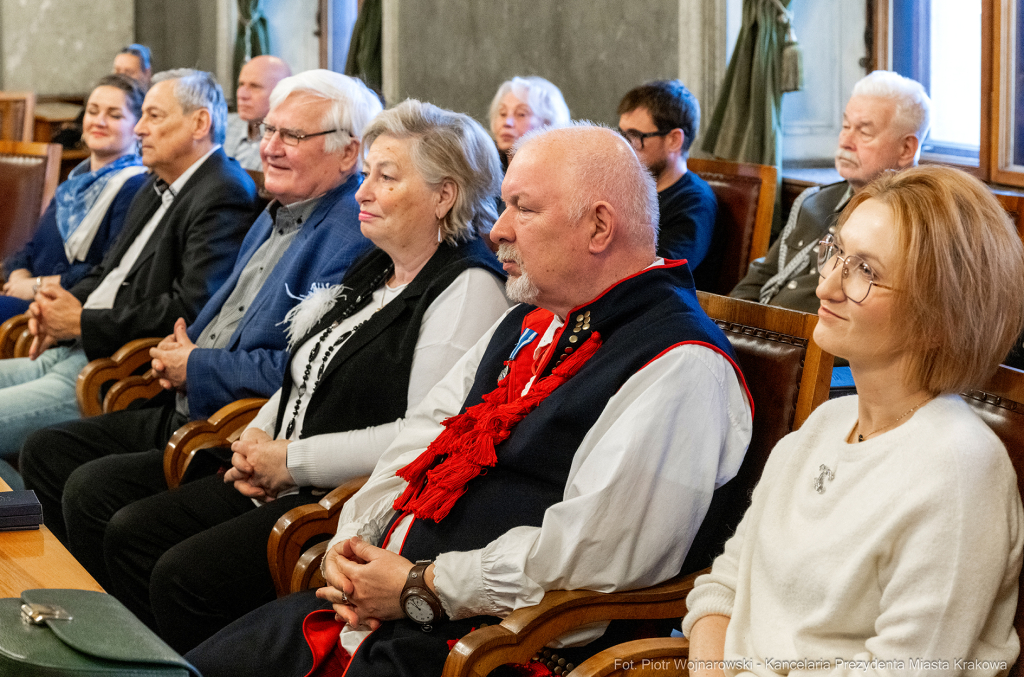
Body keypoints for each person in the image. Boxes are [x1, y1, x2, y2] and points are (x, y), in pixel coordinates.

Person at [186, 123, 752, 677]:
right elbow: (422, 436)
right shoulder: (531, 319)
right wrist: (353, 541)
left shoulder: (680, 363)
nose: (498, 230)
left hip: (498, 648)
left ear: (599, 227)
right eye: (504, 206)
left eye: (523, 209)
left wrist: (420, 588)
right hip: (395, 613)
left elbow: (596, 555)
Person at [62, 99, 512, 654]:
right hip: (280, 469)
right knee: (125, 524)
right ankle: (120, 656)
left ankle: (163, 663)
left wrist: (287, 461)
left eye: (386, 177)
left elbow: (420, 439)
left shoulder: (467, 286)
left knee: (179, 573)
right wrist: (259, 429)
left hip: (340, 502)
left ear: (445, 195)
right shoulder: (379, 262)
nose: (363, 192)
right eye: (367, 173)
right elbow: (307, 362)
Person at [684, 165, 1024, 675]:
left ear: (940, 316)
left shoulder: (959, 470)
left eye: (866, 270)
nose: (826, 286)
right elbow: (725, 586)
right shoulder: (827, 422)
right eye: (837, 253)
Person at [21, 69, 382, 549]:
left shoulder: (350, 236)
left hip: (235, 425)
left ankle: (105, 611)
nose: (270, 147)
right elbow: (209, 311)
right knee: (48, 451)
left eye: (290, 135)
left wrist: (195, 363)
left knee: (96, 491)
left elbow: (304, 371)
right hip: (186, 398)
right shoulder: (277, 209)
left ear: (349, 152)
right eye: (268, 130)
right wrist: (180, 349)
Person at [0, 69, 258, 460]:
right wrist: (53, 305)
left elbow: (190, 312)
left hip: (121, 372)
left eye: (153, 116)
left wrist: (82, 321)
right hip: (77, 350)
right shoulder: (156, 184)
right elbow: (107, 274)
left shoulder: (223, 191)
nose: (139, 129)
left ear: (199, 123)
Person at [730, 70, 930, 313]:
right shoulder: (814, 201)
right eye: (845, 126)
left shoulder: (914, 224)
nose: (845, 140)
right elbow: (760, 277)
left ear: (906, 149)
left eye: (864, 131)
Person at [1, 75, 148, 324]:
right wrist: (18, 275)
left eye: (114, 115)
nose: (99, 121)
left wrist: (35, 286)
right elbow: (32, 245)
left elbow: (106, 270)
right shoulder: (74, 182)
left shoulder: (135, 186)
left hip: (67, 310)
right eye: (92, 111)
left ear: (138, 128)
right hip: (27, 296)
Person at [617, 80, 718, 279]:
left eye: (635, 137)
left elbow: (657, 275)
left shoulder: (695, 202)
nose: (625, 147)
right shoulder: (627, 185)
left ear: (674, 140)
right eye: (622, 135)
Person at [223, 55, 292, 170]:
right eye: (241, 84)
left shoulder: (290, 143)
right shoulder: (221, 126)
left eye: (255, 86)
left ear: (281, 94)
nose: (242, 95)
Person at [488, 76, 570, 170]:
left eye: (521, 114)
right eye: (503, 113)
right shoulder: (485, 170)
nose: (507, 123)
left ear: (548, 123)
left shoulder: (563, 174)